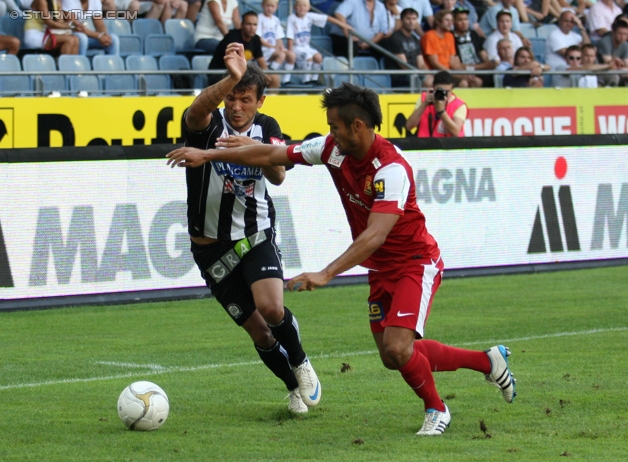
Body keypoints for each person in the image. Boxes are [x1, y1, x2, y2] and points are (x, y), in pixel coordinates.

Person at [167, 81, 517, 436]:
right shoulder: (332, 148)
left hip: (414, 262)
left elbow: (375, 235)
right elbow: (275, 156)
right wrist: (207, 155)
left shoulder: (390, 170)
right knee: (392, 355)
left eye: (335, 125)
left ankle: (437, 409)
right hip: (381, 268)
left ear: (357, 127)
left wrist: (326, 272)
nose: (329, 132)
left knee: (398, 348)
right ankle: (487, 361)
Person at [166, 43, 321, 415]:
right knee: (259, 333)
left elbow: (279, 175)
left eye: (245, 99)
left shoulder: (267, 128)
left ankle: (300, 362)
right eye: (232, 98)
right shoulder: (208, 126)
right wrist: (231, 76)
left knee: (270, 307)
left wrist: (255, 146)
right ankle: (292, 387)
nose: (236, 106)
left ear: (260, 102)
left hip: (255, 236)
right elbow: (197, 110)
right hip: (210, 250)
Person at [208, 11, 281, 89]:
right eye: (248, 24)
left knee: (274, 78)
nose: (252, 28)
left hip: (241, 73)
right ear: (242, 25)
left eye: (255, 24)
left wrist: (267, 75)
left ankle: (271, 100)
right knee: (247, 80)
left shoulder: (256, 39)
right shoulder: (232, 37)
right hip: (221, 74)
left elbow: (262, 62)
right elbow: (235, 64)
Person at [286, 0, 350, 85]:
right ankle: (305, 79)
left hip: (306, 47)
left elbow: (327, 18)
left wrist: (343, 25)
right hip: (296, 47)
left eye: (304, 6)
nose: (302, 8)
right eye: (299, 6)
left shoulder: (309, 16)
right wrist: (290, 50)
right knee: (308, 57)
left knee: (318, 57)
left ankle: (314, 79)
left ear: (309, 8)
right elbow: (289, 36)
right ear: (295, 7)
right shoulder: (291, 18)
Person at [405, 70, 468, 137]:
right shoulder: (424, 98)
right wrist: (424, 104)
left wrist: (441, 111)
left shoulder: (459, 105)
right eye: (440, 91)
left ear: (452, 89)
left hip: (448, 146)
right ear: (433, 87)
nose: (444, 94)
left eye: (447, 91)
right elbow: (409, 126)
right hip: (426, 145)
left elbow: (456, 132)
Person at [382, 7, 428, 87]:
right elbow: (404, 65)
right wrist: (422, 77)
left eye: (414, 19)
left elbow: (421, 64)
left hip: (414, 74)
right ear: (402, 20)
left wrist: (429, 74)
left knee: (435, 80)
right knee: (429, 83)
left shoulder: (415, 39)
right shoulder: (395, 38)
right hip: (400, 76)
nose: (411, 22)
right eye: (408, 19)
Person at [452, 6, 497, 87]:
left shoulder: (473, 34)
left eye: (466, 19)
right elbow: (459, 65)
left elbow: (483, 54)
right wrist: (483, 66)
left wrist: (490, 62)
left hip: (478, 70)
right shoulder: (451, 37)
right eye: (460, 20)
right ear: (454, 22)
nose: (464, 22)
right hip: (462, 72)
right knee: (475, 81)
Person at [258, 0, 296, 85]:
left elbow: (279, 37)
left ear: (277, 7)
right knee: (281, 55)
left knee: (291, 55)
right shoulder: (259, 18)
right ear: (262, 5)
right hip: (264, 49)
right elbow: (258, 38)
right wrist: (272, 47)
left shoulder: (276, 20)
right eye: (268, 6)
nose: (270, 8)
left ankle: (286, 80)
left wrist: (281, 46)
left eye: (272, 6)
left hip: (273, 49)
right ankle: (270, 72)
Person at [421, 9, 457, 87]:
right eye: (447, 20)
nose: (450, 23)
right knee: (464, 82)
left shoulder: (450, 36)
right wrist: (451, 73)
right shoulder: (429, 36)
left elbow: (453, 61)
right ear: (438, 22)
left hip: (448, 72)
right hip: (435, 73)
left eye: (451, 20)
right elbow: (434, 63)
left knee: (474, 81)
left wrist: (464, 73)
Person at [596, 19, 628, 85]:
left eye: (625, 34)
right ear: (613, 32)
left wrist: (624, 70)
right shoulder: (605, 42)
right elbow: (610, 65)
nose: (622, 37)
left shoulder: (625, 44)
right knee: (615, 77)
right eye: (620, 34)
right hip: (601, 71)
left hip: (618, 70)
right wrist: (623, 69)